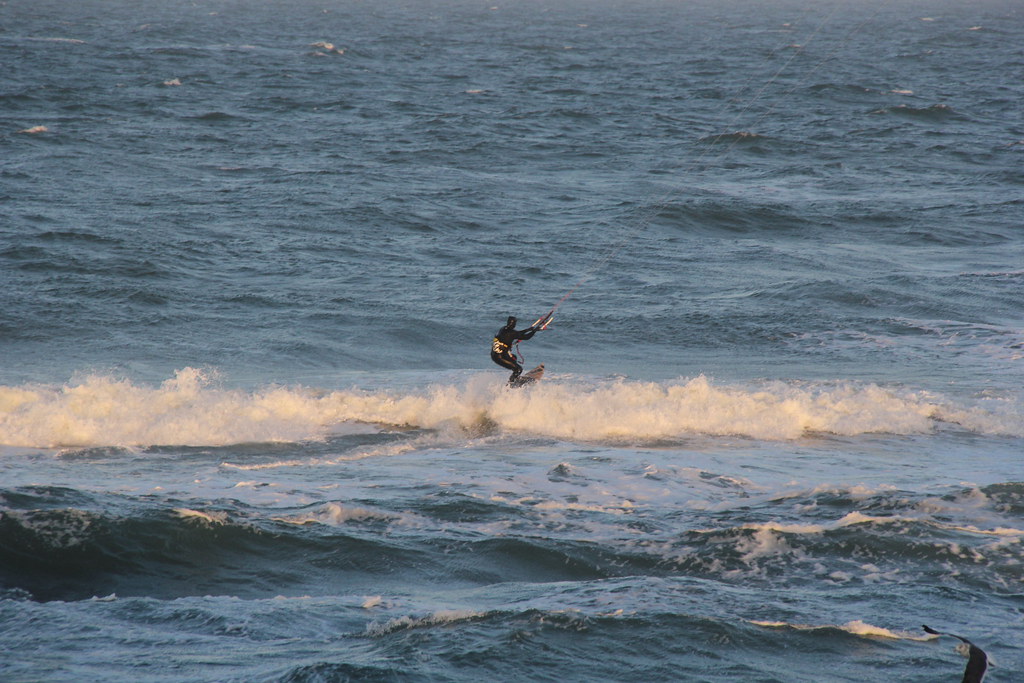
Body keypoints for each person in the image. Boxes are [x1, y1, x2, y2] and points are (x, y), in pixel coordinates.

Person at [490, 315, 538, 385]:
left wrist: (528, 330)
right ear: (514, 323)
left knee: (514, 358)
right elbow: (526, 337)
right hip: (499, 357)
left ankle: (515, 378)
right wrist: (534, 331)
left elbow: (517, 334)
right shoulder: (511, 333)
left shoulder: (503, 329)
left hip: (496, 354)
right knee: (518, 369)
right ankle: (510, 385)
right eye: (515, 323)